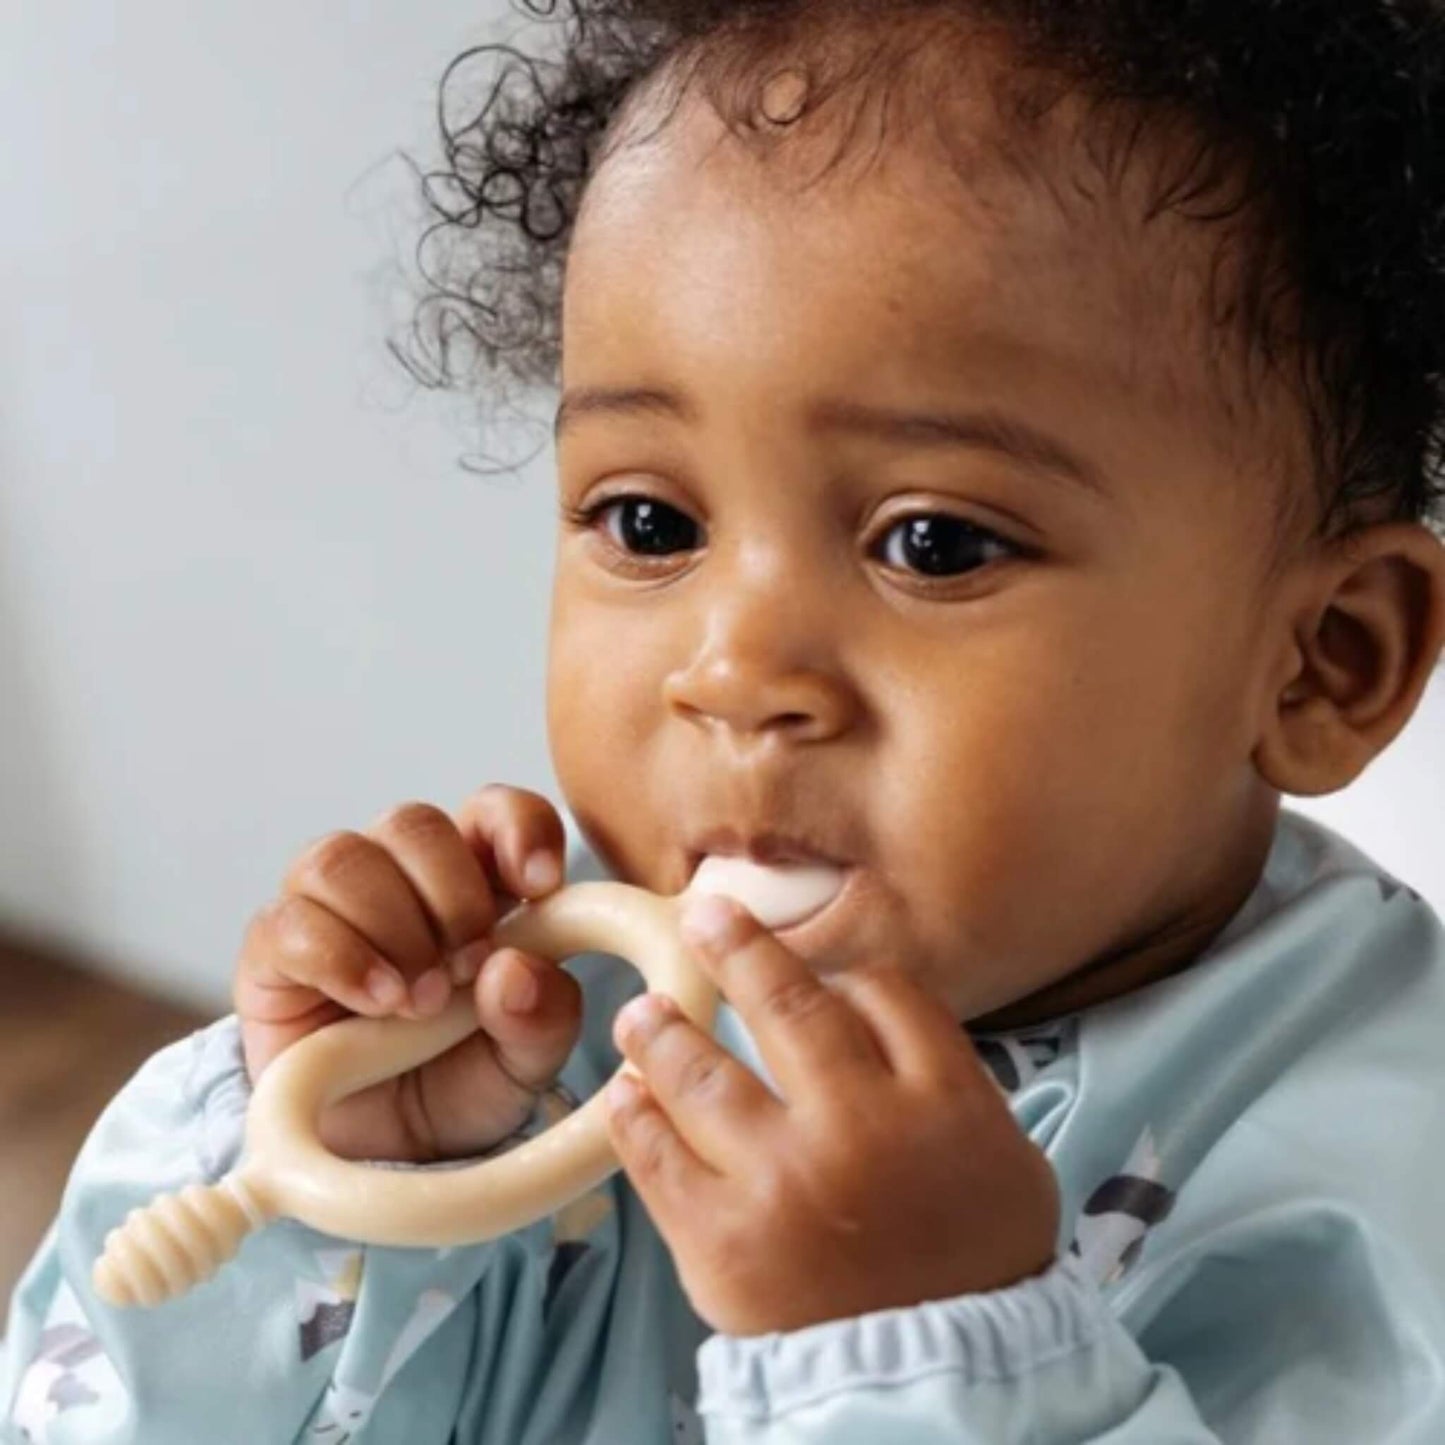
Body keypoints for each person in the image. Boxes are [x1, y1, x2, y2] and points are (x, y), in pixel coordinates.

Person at [5, 0, 1445, 1440]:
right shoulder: (543, 1021)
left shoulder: (1375, 1171)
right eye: (652, 522)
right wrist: (350, 1203)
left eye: (934, 543)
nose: (733, 670)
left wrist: (928, 1365)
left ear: (1324, 662)